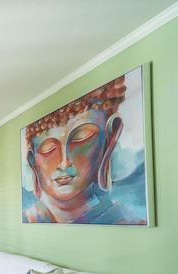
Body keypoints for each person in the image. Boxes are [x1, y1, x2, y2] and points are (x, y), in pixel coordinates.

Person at [22, 75, 145, 225]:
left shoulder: (129, 223)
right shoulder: (27, 221)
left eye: (81, 138)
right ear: (33, 161)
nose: (64, 162)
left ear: (110, 139)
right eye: (48, 149)